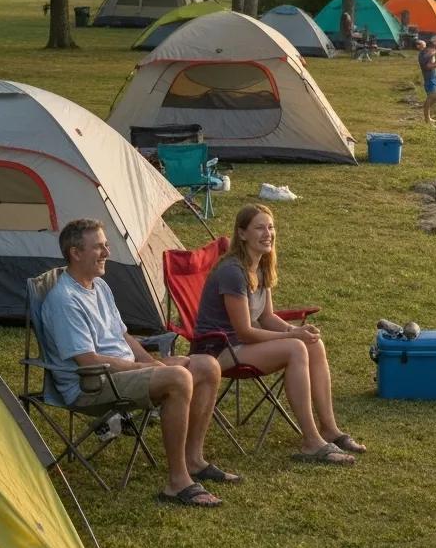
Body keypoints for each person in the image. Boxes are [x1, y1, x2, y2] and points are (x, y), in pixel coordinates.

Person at [41, 218, 231, 508]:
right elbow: (87, 360)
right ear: (75, 253)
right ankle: (177, 482)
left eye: (106, 245)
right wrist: (152, 369)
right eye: (99, 247)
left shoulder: (99, 287)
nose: (107, 253)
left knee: (207, 365)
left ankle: (193, 460)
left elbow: (123, 336)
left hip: (122, 373)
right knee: (179, 378)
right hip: (91, 383)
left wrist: (153, 361)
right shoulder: (64, 299)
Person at [193, 203, 365, 465]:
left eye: (271, 227)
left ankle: (329, 429)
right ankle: (311, 441)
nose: (268, 233)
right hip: (217, 351)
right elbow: (245, 332)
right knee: (295, 348)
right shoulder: (232, 271)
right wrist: (291, 338)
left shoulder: (260, 265)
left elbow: (266, 317)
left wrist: (296, 330)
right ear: (242, 234)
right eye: (259, 227)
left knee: (313, 345)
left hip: (240, 345)